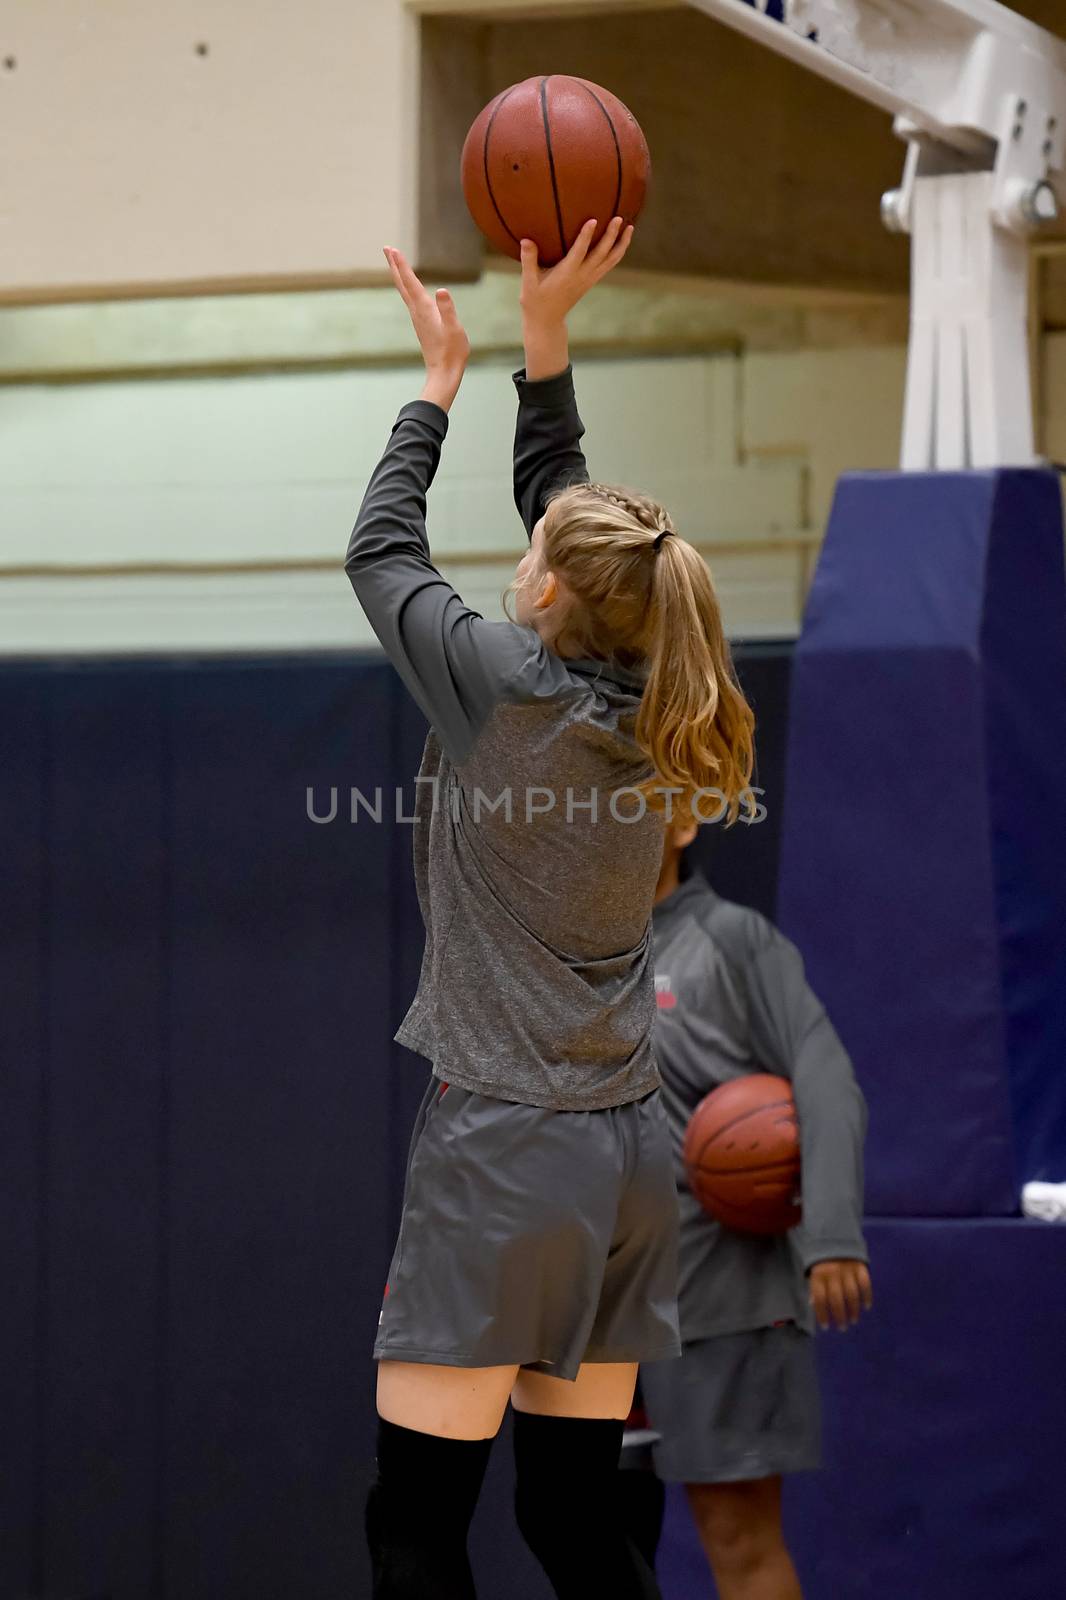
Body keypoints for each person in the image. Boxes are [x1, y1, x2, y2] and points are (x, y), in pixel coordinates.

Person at [343, 218, 756, 1600]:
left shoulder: (496, 687)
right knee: (576, 1527)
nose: (519, 558)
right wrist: (543, 339)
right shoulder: (658, 690)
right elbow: (573, 518)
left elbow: (379, 546)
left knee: (416, 1527)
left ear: (549, 596)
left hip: (505, 1148)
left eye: (533, 558)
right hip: (626, 1157)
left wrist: (436, 381)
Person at [618, 818, 873, 1600]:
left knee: (738, 1537)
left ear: (681, 821)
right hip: (602, 1311)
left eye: (631, 797)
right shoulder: (575, 958)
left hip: (725, 1298)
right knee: (597, 1543)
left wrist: (830, 1234)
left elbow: (825, 1076)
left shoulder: (732, 939)